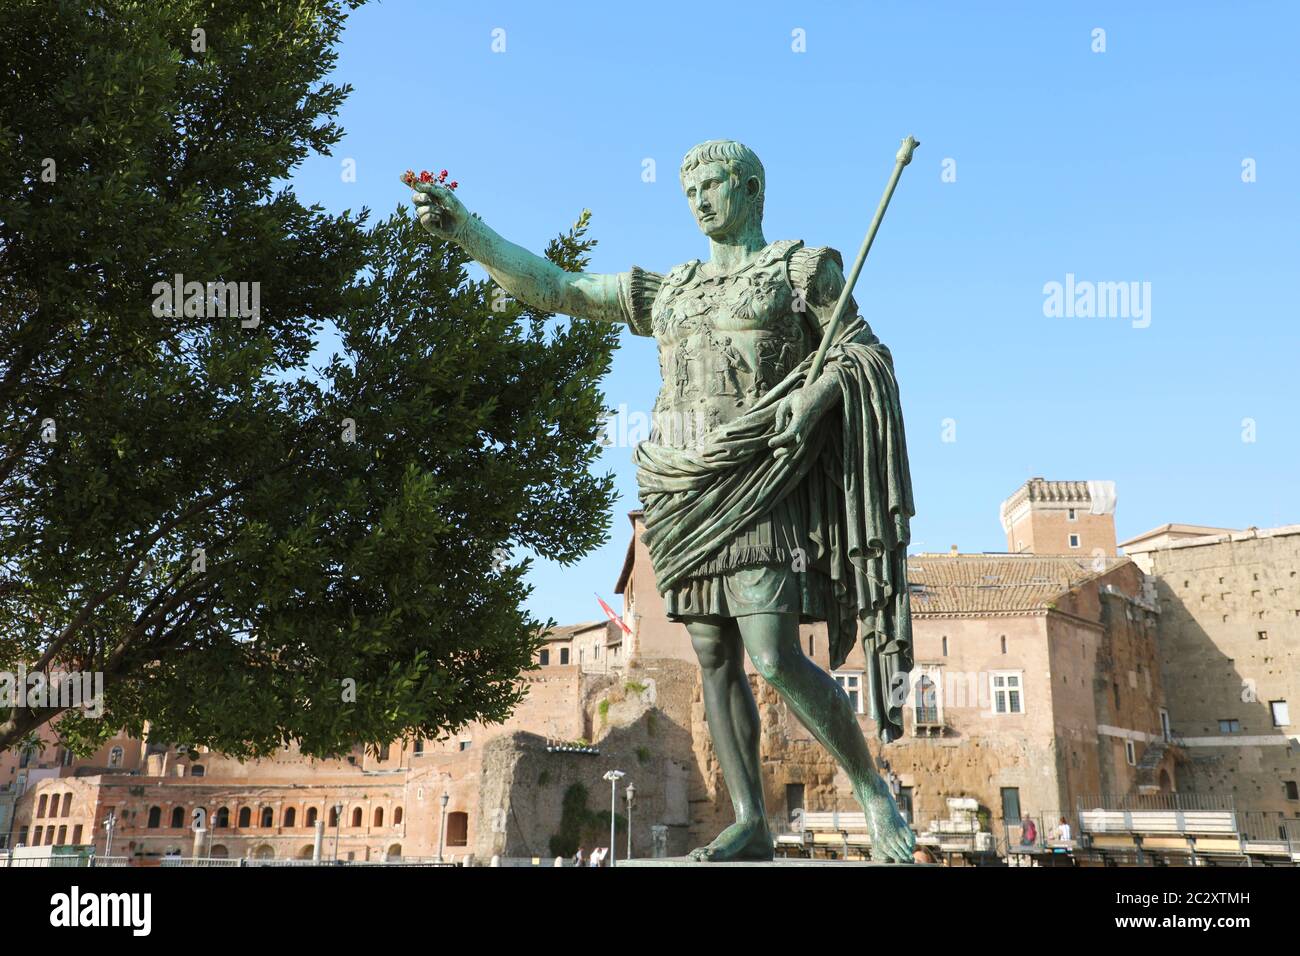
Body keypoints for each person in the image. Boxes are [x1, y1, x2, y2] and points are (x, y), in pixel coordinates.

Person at [411, 139, 916, 863]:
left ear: (750, 188)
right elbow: (559, 287)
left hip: (759, 476)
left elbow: (864, 355)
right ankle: (749, 822)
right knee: (713, 655)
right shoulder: (670, 289)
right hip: (680, 484)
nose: (700, 200)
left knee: (771, 653)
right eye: (690, 191)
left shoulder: (802, 270)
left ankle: (870, 789)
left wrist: (816, 398)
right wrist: (469, 233)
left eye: (713, 185)